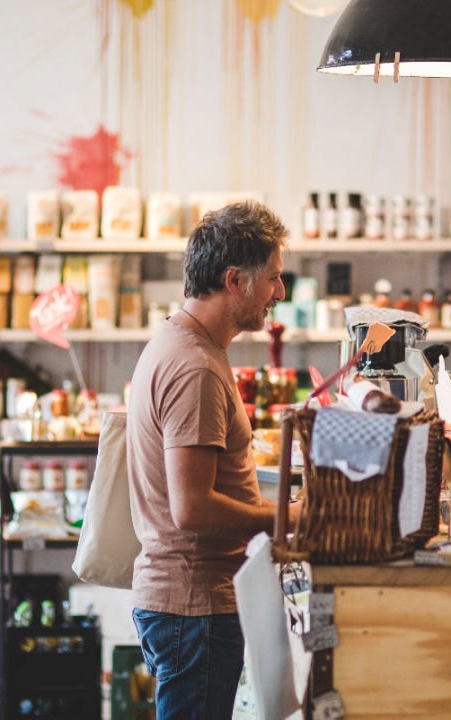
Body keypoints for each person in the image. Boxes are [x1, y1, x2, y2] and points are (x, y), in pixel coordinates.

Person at [126, 200, 299, 719]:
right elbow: (193, 508)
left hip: (188, 604)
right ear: (234, 280)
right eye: (273, 278)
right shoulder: (194, 367)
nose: (280, 293)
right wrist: (288, 519)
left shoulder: (186, 343)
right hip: (192, 605)